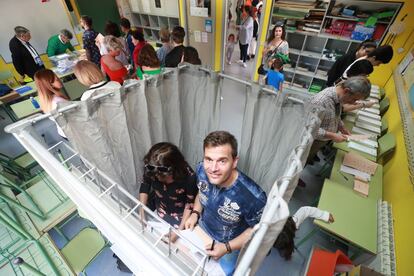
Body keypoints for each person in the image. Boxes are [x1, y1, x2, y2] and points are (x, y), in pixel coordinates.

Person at [185, 131, 267, 275]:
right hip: (202, 229)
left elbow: (257, 231)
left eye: (222, 161)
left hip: (229, 244)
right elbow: (201, 192)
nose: (213, 168)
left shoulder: (254, 197)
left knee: (224, 272)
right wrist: (195, 213)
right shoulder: (201, 170)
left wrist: (226, 248)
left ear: (234, 162)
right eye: (209, 159)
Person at [307, 76, 371, 162]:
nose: (353, 103)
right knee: (303, 160)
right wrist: (332, 135)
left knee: (309, 156)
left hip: (321, 139)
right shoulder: (320, 101)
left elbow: (336, 114)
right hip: (312, 140)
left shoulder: (338, 96)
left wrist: (341, 127)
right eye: (354, 99)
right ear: (346, 91)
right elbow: (308, 128)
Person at [139, 142, 198, 232]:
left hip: (180, 216)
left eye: (163, 177)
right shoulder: (151, 167)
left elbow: (190, 204)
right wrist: (141, 209)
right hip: (160, 210)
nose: (158, 178)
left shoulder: (189, 177)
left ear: (175, 169)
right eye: (156, 176)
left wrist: (179, 232)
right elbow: (145, 184)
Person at [34, 69, 68, 138]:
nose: (60, 79)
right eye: (57, 79)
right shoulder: (58, 102)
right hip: (71, 132)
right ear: (50, 85)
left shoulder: (46, 99)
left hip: (62, 131)